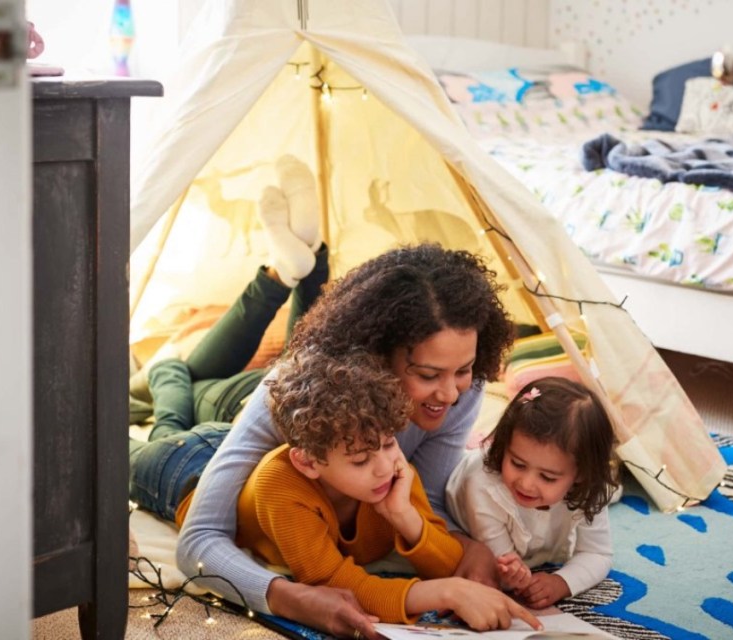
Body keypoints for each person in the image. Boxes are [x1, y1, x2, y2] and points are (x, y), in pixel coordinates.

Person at [176, 244, 516, 637]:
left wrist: (465, 544)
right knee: (172, 409)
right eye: (427, 375)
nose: (451, 394)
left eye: (464, 369)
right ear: (374, 355)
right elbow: (197, 541)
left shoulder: (461, 392)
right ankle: (170, 373)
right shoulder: (285, 391)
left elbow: (427, 501)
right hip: (197, 453)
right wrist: (287, 596)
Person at [229, 346, 541, 631]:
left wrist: (405, 516)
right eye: (360, 460)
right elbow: (331, 582)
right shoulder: (281, 485)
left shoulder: (394, 472)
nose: (384, 467)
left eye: (389, 443)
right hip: (190, 463)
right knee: (180, 400)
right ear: (308, 463)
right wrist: (446, 592)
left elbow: (450, 564)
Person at [128, 154, 329, 524]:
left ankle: (303, 264)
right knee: (176, 371)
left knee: (307, 356)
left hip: (254, 396)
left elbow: (170, 372)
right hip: (254, 399)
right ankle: (285, 271)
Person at [445, 376, 618, 610]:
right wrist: (512, 572)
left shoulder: (590, 489)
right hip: (462, 504)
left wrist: (562, 582)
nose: (526, 484)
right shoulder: (482, 485)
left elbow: (598, 553)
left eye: (547, 477)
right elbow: (501, 565)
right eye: (517, 463)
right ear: (504, 446)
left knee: (608, 491)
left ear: (581, 474)